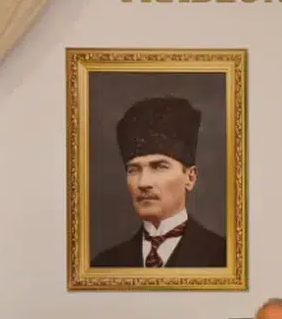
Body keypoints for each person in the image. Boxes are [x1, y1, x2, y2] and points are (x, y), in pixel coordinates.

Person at [89, 95, 227, 268]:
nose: (143, 183)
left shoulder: (225, 257)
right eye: (133, 170)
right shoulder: (105, 264)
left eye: (159, 167)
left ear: (190, 178)